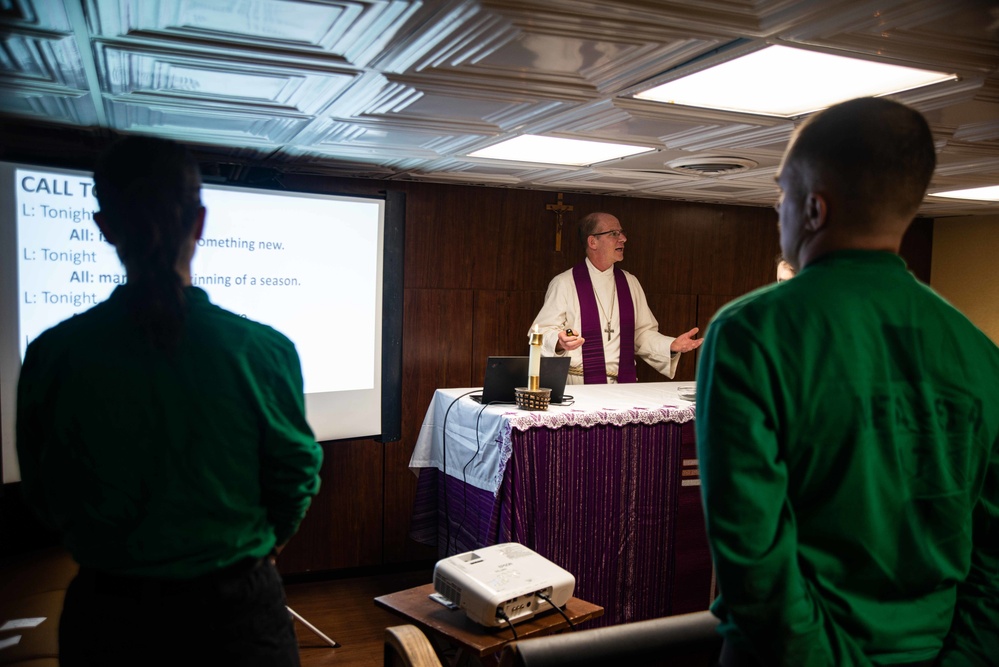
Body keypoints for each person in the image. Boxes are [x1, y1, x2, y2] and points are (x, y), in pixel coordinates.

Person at [696, 97, 999, 666]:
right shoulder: (982, 356)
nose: (778, 210)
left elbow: (753, 562)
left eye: (782, 193)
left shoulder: (749, 334)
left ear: (814, 209)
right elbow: (994, 565)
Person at [16, 136, 323, 666]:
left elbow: (44, 493)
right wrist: (262, 550)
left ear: (105, 227)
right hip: (238, 618)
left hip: (109, 619)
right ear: (200, 223)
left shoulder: (53, 355)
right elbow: (296, 473)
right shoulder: (264, 350)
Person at [530, 212, 702, 384]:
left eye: (622, 233)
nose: (623, 239)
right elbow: (540, 332)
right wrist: (560, 341)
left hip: (623, 386)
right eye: (614, 233)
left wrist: (670, 346)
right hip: (579, 386)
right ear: (593, 242)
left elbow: (642, 334)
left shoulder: (630, 282)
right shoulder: (565, 283)